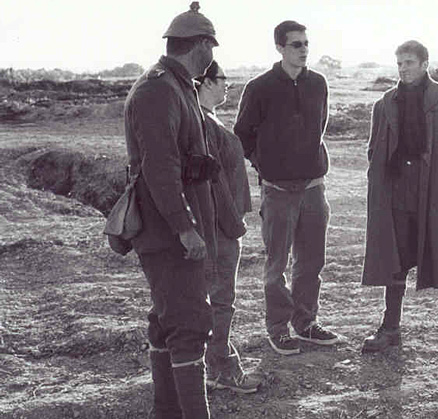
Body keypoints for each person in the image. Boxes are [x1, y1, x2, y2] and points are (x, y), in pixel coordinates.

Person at [123, 3, 219, 418]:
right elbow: (159, 168)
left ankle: (166, 413)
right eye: (211, 46)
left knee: (168, 319)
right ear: (200, 45)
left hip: (172, 224)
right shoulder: (158, 89)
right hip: (167, 229)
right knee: (189, 322)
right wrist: (184, 228)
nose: (212, 54)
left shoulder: (178, 85)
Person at [361, 40, 438, 360]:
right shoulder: (385, 104)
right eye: (399, 63)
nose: (403, 69)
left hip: (434, 196)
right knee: (394, 262)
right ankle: (390, 329)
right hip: (397, 195)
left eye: (409, 62)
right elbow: (374, 150)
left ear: (425, 64)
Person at [234, 20, 338, 356]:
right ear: (280, 47)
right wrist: (265, 165)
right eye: (296, 44)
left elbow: (320, 125)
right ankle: (278, 329)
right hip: (278, 190)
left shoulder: (318, 83)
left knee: (312, 261)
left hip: (313, 187)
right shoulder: (259, 87)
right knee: (277, 264)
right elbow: (242, 135)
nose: (303, 49)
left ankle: (306, 323)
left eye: (306, 43)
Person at [195, 61, 261, 393]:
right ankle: (221, 369)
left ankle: (213, 366)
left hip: (223, 223)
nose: (226, 86)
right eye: (222, 80)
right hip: (220, 225)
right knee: (221, 300)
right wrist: (233, 222)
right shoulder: (202, 123)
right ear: (205, 82)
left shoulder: (208, 118)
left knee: (219, 299)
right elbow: (214, 182)